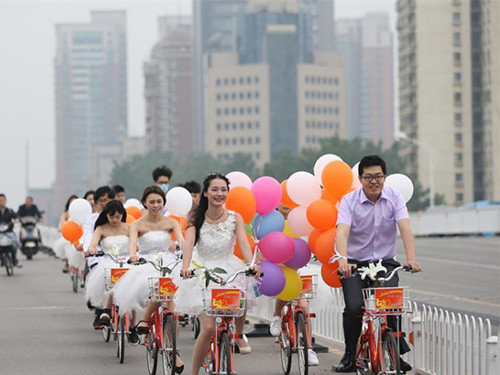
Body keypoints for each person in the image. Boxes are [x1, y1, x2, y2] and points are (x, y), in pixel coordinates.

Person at [334, 155, 422, 373]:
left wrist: (411, 258)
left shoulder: (395, 198)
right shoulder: (349, 201)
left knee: (391, 306)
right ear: (360, 178)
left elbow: (405, 228)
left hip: (385, 263)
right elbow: (342, 232)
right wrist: (343, 260)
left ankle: (395, 353)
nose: (374, 181)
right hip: (354, 263)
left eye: (378, 176)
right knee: (354, 308)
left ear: (385, 177)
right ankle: (349, 355)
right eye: (368, 177)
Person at [178, 173, 262, 375]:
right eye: (214, 189)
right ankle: (195, 372)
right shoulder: (195, 219)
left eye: (223, 190)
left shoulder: (235, 218)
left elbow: (243, 242)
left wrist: (251, 264)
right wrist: (186, 266)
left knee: (230, 317)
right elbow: (188, 245)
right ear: (205, 193)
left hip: (229, 271)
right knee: (207, 328)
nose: (219, 193)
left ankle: (230, 341)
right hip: (202, 274)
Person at [113, 185, 185, 371]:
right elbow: (132, 245)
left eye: (159, 201)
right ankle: (145, 319)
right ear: (145, 203)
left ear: (164, 203)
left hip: (169, 264)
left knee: (173, 311)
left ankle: (173, 351)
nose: (155, 205)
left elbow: (183, 243)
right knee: (159, 289)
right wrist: (133, 256)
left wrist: (187, 254)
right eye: (152, 202)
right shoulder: (137, 224)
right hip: (146, 264)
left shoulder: (171, 222)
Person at [269, 203, 319, 366]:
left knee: (303, 308)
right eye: (283, 201)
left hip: (297, 267)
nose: (286, 205)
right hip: (279, 268)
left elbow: (311, 240)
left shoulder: (300, 222)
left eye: (290, 201)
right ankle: (277, 316)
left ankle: (309, 348)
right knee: (284, 290)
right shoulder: (272, 223)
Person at [84, 200, 139, 344]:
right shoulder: (101, 229)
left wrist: (133, 255)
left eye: (118, 217)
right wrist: (92, 250)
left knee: (130, 293)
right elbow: (93, 244)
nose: (115, 220)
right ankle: (107, 312)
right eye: (111, 216)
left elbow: (133, 244)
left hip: (127, 261)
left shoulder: (129, 227)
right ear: (106, 215)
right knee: (114, 279)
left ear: (123, 215)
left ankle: (132, 328)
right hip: (108, 262)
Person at [81, 185, 115, 329]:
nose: (105, 204)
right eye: (101, 200)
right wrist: (90, 248)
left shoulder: (120, 217)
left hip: (118, 256)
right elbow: (88, 236)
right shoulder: (92, 220)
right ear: (96, 202)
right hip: (98, 257)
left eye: (108, 200)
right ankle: (100, 311)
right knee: (101, 279)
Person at [55, 194, 78, 273]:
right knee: (66, 245)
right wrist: (62, 229)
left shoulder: (81, 213)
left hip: (78, 235)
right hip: (68, 236)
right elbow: (60, 226)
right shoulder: (65, 214)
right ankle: (67, 263)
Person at [0, 194, 22, 268]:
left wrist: (16, 219)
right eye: (0, 200)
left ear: (5, 201)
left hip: (9, 232)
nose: (1, 201)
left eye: (3, 200)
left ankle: (14, 259)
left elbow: (16, 216)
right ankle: (2, 259)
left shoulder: (10, 211)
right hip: (0, 233)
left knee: (16, 242)